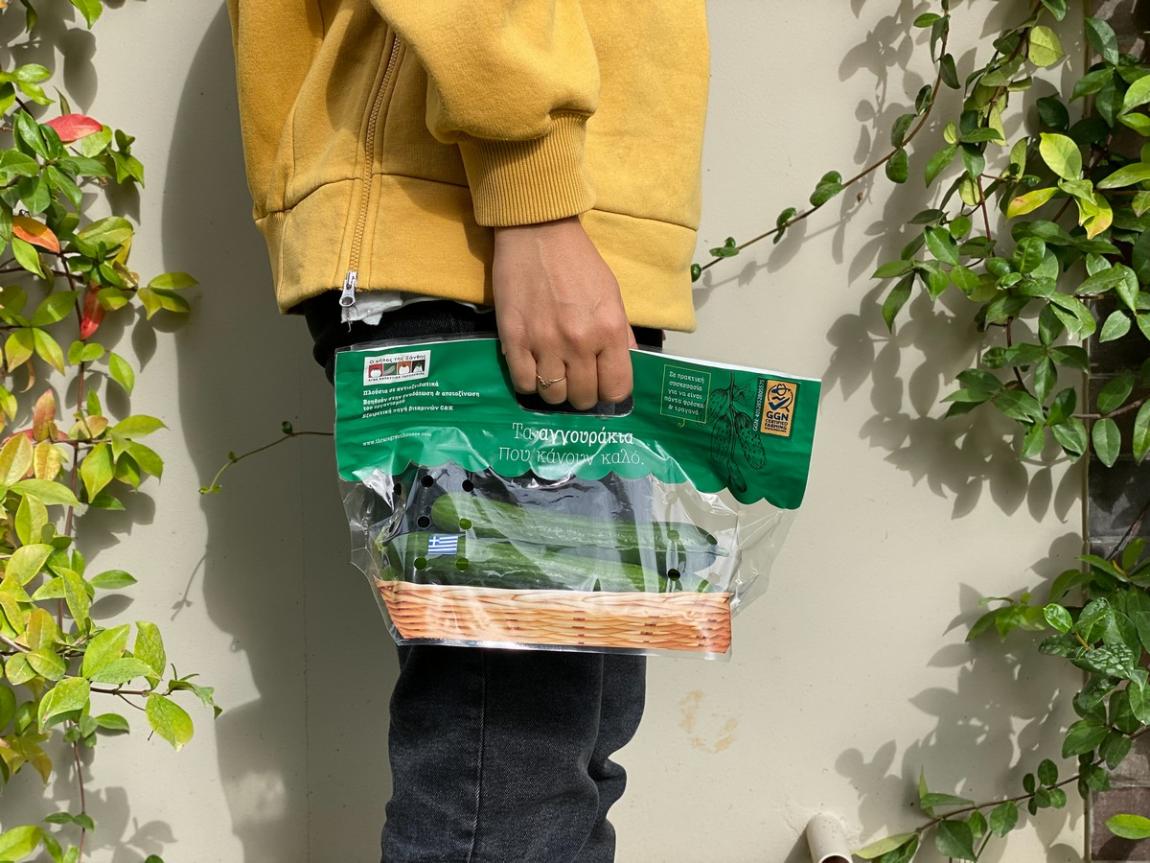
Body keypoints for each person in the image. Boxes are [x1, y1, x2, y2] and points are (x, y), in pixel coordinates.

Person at [225, 3, 709, 860]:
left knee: (563, 759)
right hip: (491, 243)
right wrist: (532, 194)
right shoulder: (526, 209)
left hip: (545, 253)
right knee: (511, 783)